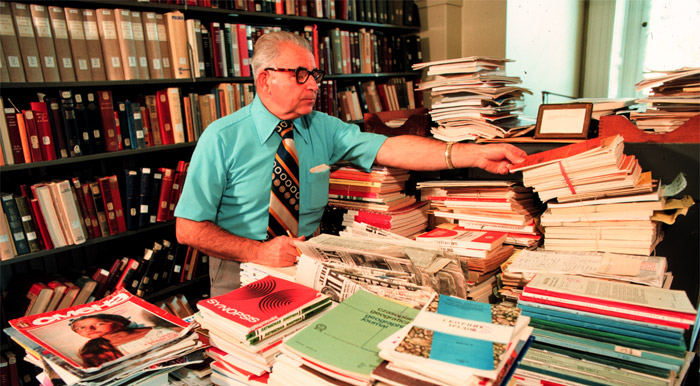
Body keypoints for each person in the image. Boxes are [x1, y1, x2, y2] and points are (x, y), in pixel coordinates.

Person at [175, 31, 526, 296]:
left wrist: (472, 153)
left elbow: (389, 149)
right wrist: (258, 251)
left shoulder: (322, 127)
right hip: (239, 267)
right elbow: (188, 230)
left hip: (307, 262)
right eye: (301, 74)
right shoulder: (221, 138)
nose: (313, 84)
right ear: (266, 78)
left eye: (315, 74)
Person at [70, 314, 179, 367]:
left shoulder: (158, 330)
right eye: (81, 328)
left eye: (99, 324)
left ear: (119, 323)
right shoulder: (92, 352)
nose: (90, 329)